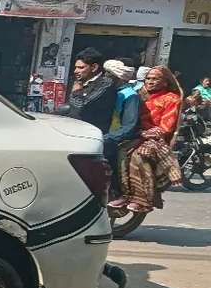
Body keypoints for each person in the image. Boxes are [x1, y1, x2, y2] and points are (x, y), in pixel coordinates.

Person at [109, 66, 184, 213]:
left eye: (155, 79)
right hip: (135, 133)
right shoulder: (138, 95)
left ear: (165, 82)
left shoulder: (171, 98)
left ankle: (141, 199)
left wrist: (145, 132)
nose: (150, 82)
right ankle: (122, 193)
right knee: (116, 151)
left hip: (155, 138)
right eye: (148, 78)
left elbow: (166, 127)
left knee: (139, 156)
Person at [102, 59, 140, 197]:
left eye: (108, 75)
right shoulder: (111, 92)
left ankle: (116, 192)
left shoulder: (130, 95)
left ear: (117, 77)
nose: (105, 78)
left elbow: (129, 126)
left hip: (118, 139)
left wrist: (108, 138)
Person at [67, 48, 118, 132]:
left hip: (92, 134)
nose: (76, 71)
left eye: (81, 67)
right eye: (76, 67)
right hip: (75, 130)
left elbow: (81, 105)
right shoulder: (79, 82)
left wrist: (75, 92)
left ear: (94, 67)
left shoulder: (105, 83)